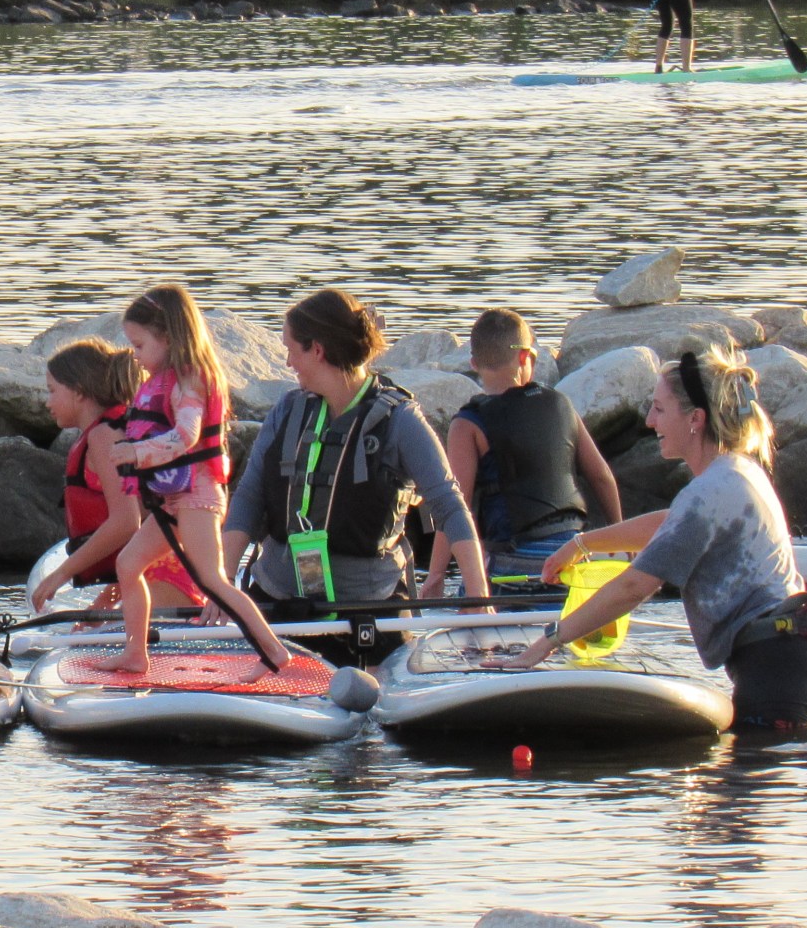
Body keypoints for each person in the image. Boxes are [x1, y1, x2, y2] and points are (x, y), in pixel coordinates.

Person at [498, 346, 807, 729]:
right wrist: (581, 544)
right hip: (799, 661)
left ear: (695, 419)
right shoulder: (737, 471)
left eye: (659, 409)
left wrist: (547, 642)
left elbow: (635, 585)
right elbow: (671, 522)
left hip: (778, 673)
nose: (649, 421)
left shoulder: (709, 491)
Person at [222, 288, 488, 657]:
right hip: (277, 602)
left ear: (317, 350)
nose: (287, 362)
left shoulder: (400, 421)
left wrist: (478, 596)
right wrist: (221, 585)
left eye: (291, 350)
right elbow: (249, 497)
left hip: (366, 610)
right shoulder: (287, 410)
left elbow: (450, 505)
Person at [100, 286, 291, 677]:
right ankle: (136, 652)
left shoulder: (191, 380)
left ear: (167, 337)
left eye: (139, 344)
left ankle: (273, 652)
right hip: (174, 497)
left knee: (213, 580)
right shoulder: (166, 378)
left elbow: (186, 435)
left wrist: (138, 452)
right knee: (129, 562)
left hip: (198, 495)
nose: (134, 354)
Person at [428, 308, 620, 587]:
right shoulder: (561, 405)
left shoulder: (468, 424)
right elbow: (601, 476)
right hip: (573, 555)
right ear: (523, 357)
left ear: (474, 362)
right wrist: (618, 536)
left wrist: (435, 575)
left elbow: (456, 504)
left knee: (469, 598)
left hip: (514, 562)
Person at [29, 336, 195, 615]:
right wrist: (100, 609)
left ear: (79, 392)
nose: (47, 403)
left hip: (163, 574)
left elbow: (126, 522)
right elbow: (137, 535)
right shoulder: (113, 430)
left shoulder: (103, 437)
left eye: (52, 390)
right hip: (160, 569)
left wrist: (61, 573)